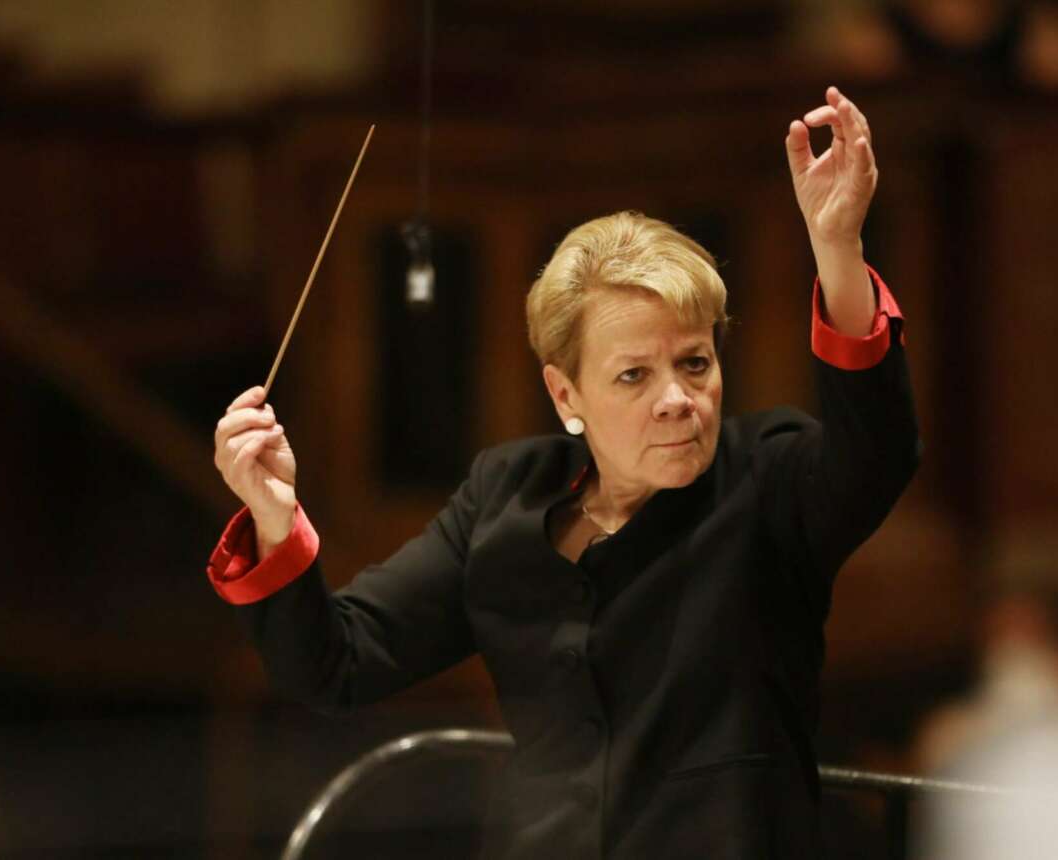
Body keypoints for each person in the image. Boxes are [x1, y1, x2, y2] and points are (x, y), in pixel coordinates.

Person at [207, 87, 919, 858]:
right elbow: (336, 664)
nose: (677, 399)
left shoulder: (766, 480)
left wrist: (838, 249)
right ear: (565, 394)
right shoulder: (504, 498)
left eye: (694, 363)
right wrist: (273, 512)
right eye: (633, 375)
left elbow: (875, 453)